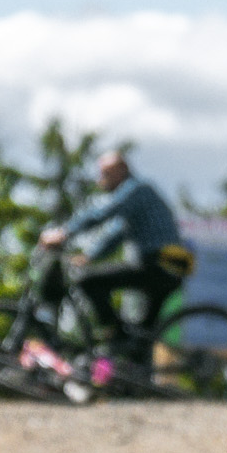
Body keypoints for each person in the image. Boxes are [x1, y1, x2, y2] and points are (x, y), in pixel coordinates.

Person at [43, 150, 186, 355]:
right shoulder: (135, 200)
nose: (102, 180)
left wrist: (64, 233)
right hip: (166, 269)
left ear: (123, 170)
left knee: (87, 280)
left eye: (106, 173)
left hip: (158, 264)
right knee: (139, 341)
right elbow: (116, 234)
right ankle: (136, 376)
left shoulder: (137, 189)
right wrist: (89, 256)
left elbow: (104, 213)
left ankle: (115, 332)